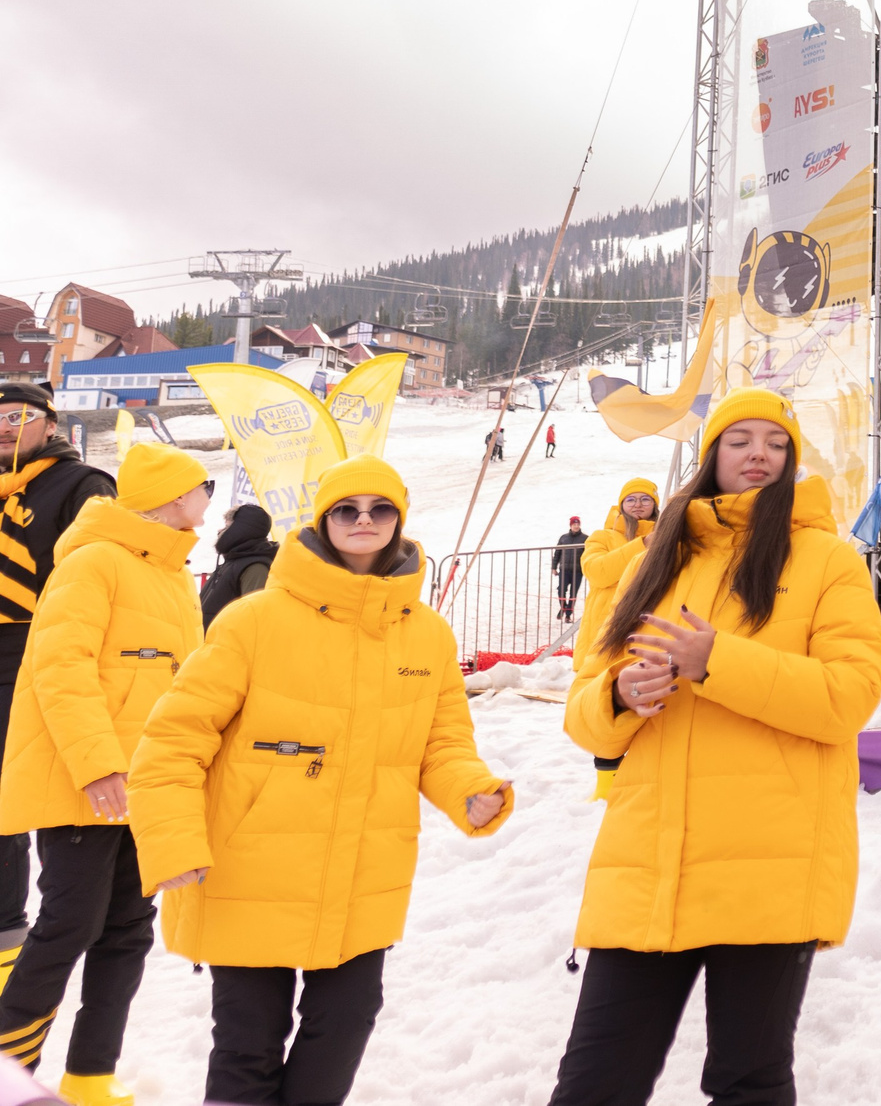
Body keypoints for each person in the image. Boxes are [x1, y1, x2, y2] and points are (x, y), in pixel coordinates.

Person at [129, 453, 514, 1106]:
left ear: (399, 519)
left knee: (347, 1022)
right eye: (347, 508)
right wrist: (173, 842)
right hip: (252, 865)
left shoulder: (428, 636)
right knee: (248, 1044)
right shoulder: (254, 621)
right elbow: (172, 739)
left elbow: (442, 742)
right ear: (324, 519)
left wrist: (470, 789)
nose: (363, 520)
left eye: (379, 508)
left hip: (363, 868)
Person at [547, 389, 881, 1106]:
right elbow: (583, 712)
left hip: (771, 864)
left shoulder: (829, 561)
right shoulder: (655, 560)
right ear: (711, 456)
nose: (758, 453)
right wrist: (618, 697)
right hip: (647, 862)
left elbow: (847, 697)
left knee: (748, 1083)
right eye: (740, 440)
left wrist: (715, 662)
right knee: (592, 1084)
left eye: (775, 441)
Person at [0, 441, 209, 1105]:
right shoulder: (92, 562)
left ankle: (90, 1076)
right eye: (202, 483)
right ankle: (7, 1071)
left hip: (149, 783)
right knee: (70, 923)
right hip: (85, 782)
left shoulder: (173, 572)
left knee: (127, 928)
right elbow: (60, 671)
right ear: (174, 495)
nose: (209, 494)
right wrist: (96, 766)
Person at [0, 384, 116, 995]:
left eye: (18, 416)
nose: (5, 426)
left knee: (13, 806)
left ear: (49, 423)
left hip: (35, 658)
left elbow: (95, 577)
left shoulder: (81, 485)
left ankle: (8, 951)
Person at [575, 480, 658, 799]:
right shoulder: (602, 537)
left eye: (645, 499)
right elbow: (597, 571)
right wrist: (643, 545)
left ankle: (642, 780)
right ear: (620, 504)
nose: (638, 505)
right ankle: (606, 788)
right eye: (631, 499)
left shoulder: (667, 538)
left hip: (647, 633)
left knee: (649, 710)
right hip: (607, 636)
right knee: (606, 713)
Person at [197, 503, 277, 624]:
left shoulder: (255, 567)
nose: (220, 530)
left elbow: (255, 618)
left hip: (227, 641)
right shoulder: (232, 562)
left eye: (227, 526)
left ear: (240, 530)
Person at [553, 515, 586, 622]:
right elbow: (557, 553)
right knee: (561, 590)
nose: (576, 526)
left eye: (577, 524)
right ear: (570, 525)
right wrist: (554, 567)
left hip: (577, 571)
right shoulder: (563, 538)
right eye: (574, 524)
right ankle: (564, 607)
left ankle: (568, 615)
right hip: (564, 569)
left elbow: (588, 555)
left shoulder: (585, 539)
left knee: (573, 593)